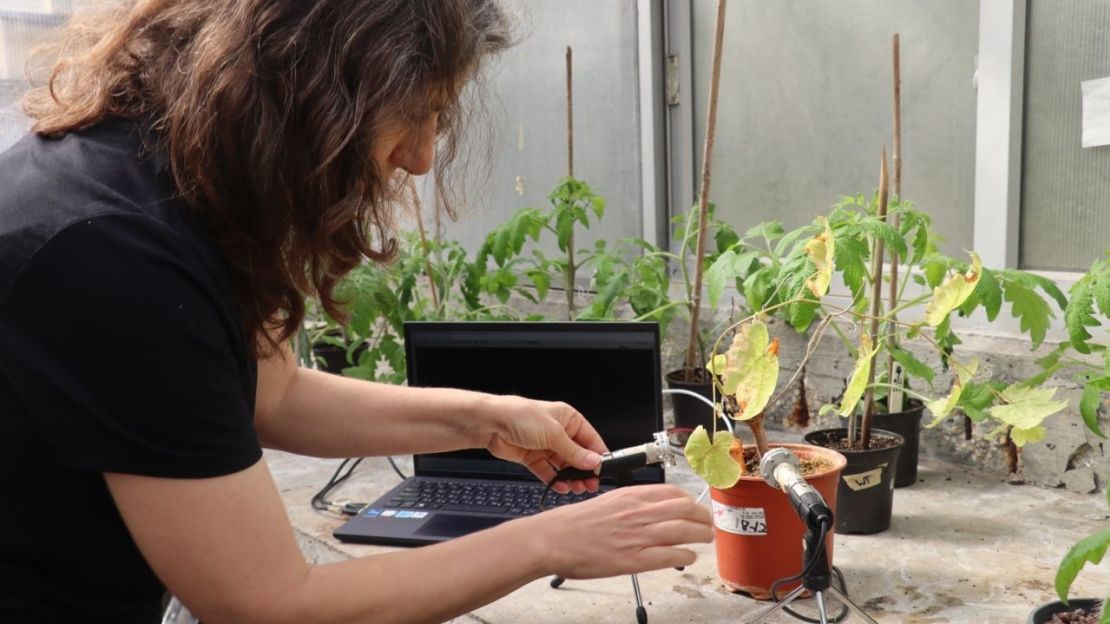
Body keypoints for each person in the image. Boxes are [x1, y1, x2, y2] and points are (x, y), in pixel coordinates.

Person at [0, 2, 714, 622]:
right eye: (416, 112)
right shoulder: (113, 254)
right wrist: (551, 541)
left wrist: (484, 418)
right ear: (315, 91)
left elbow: (274, 395)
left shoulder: (183, 177)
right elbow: (267, 604)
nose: (424, 157)